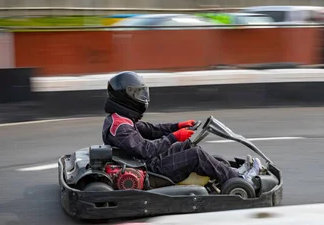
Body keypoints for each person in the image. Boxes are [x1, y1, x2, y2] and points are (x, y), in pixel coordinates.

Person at [101, 71, 262, 187]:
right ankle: (241, 178)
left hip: (144, 162)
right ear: (125, 96)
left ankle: (229, 173)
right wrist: (174, 137)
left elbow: (151, 130)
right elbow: (146, 150)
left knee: (187, 146)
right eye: (136, 93)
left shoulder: (120, 118)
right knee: (195, 155)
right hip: (149, 169)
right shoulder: (120, 127)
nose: (141, 97)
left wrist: (177, 126)